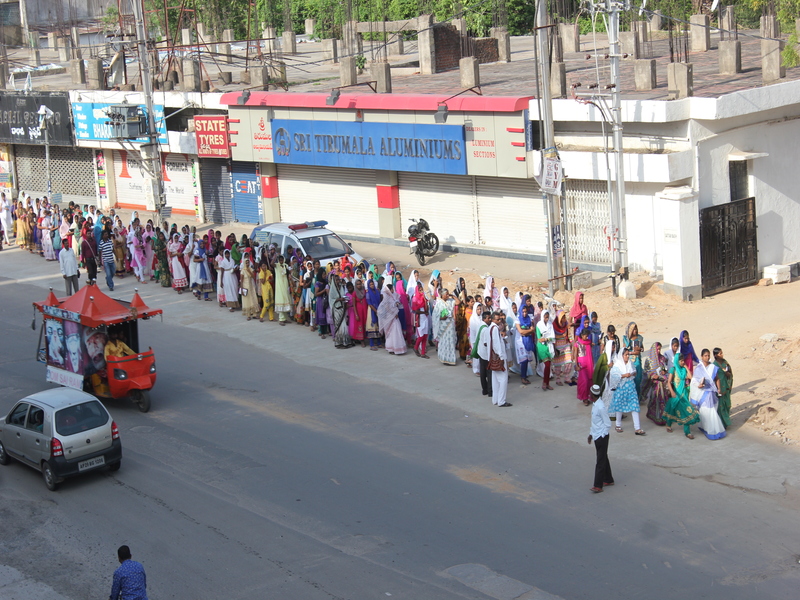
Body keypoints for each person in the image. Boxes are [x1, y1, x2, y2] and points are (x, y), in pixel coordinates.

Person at [608, 348, 646, 435]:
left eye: (628, 354)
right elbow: (614, 376)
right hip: (621, 388)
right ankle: (618, 425)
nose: (628, 356)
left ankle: (637, 428)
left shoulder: (630, 363)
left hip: (631, 387)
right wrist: (624, 375)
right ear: (622, 356)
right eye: (626, 355)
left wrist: (633, 373)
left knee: (635, 406)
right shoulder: (617, 365)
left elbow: (634, 371)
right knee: (619, 406)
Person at [691, 349, 727, 440]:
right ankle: (707, 429)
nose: (707, 357)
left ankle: (714, 431)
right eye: (705, 356)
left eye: (708, 355)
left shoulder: (712, 367)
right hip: (703, 392)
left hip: (711, 392)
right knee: (705, 411)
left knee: (711, 411)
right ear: (702, 357)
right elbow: (694, 380)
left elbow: (717, 378)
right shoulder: (699, 368)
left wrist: (718, 388)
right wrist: (698, 385)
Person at [664, 353, 700, 439]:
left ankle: (687, 432)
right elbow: (668, 382)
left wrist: (686, 367)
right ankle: (668, 425)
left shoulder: (683, 369)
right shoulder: (673, 370)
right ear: (677, 361)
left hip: (684, 394)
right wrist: (672, 392)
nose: (682, 362)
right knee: (672, 409)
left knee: (686, 411)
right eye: (681, 361)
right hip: (676, 394)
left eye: (683, 360)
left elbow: (690, 377)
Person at [588, 383, 614, 493]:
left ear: (593, 395)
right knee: (603, 457)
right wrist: (591, 434)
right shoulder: (595, 405)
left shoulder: (601, 407)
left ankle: (598, 485)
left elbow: (607, 424)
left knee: (600, 461)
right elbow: (595, 422)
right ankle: (608, 479)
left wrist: (601, 436)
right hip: (596, 435)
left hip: (601, 437)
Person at [482, 311, 510, 407]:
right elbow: (496, 345)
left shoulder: (489, 328)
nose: (499, 321)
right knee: (503, 379)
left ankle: (495, 399)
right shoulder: (494, 329)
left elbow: (486, 343)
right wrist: (501, 357)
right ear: (493, 319)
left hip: (492, 358)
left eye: (500, 319)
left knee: (495, 379)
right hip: (497, 357)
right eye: (497, 319)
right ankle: (501, 401)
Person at [642, 342, 670, 426]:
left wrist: (664, 372)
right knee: (655, 400)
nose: (658, 351)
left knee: (663, 401)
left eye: (660, 349)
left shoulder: (663, 358)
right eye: (657, 349)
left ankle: (662, 418)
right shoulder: (649, 360)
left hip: (662, 383)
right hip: (655, 384)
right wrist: (651, 375)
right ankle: (655, 416)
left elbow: (665, 369)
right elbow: (646, 372)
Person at [377, 282, 405, 354]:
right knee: (393, 332)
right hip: (391, 318)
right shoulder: (386, 298)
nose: (393, 290)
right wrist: (393, 314)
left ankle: (396, 348)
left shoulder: (392, 296)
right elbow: (387, 308)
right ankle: (392, 348)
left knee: (396, 332)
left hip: (394, 317)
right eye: (392, 289)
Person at [433, 288, 458, 365]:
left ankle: (451, 359)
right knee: (444, 342)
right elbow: (434, 316)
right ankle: (444, 358)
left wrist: (452, 296)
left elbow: (458, 302)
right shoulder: (439, 303)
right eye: (446, 294)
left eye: (448, 294)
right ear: (442, 295)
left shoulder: (451, 301)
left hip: (450, 325)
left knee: (451, 341)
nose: (447, 295)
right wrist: (441, 318)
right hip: (443, 325)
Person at [330, 273, 354, 348]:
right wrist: (340, 299)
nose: (338, 281)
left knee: (344, 326)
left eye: (338, 279)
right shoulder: (332, 289)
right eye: (336, 280)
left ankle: (345, 342)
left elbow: (345, 295)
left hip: (343, 308)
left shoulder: (342, 287)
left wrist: (345, 299)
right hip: (336, 309)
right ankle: (339, 342)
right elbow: (331, 300)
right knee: (339, 326)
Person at [472, 311, 493, 396]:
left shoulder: (480, 325)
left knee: (483, 372)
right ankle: (490, 391)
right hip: (485, 353)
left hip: (480, 352)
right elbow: (486, 343)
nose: (490, 320)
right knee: (489, 373)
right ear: (484, 318)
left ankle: (484, 390)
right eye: (488, 318)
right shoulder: (485, 329)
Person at [573, 323, 594, 405]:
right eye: (585, 336)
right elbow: (575, 355)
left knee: (589, 381)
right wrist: (576, 365)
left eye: (587, 336)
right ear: (581, 335)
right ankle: (584, 397)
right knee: (584, 381)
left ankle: (589, 397)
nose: (586, 337)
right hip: (581, 365)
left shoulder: (588, 343)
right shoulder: (577, 343)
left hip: (588, 364)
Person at [515, 304, 536, 385]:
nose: (524, 313)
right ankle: (523, 377)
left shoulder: (529, 318)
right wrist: (528, 331)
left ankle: (524, 375)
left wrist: (526, 332)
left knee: (527, 359)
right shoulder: (517, 320)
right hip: (520, 341)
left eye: (526, 312)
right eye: (523, 312)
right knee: (523, 360)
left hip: (528, 340)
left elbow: (532, 329)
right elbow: (521, 332)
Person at [713, 347, 733, 429]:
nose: (722, 354)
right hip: (720, 388)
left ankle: (726, 421)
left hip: (726, 387)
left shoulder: (725, 362)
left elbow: (730, 372)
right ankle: (722, 424)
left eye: (722, 353)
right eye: (720, 353)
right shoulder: (714, 365)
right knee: (721, 407)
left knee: (727, 405)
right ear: (716, 355)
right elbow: (714, 378)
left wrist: (728, 374)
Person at [552, 311, 573, 385]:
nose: (565, 318)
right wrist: (554, 349)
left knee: (569, 361)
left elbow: (568, 333)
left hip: (565, 344)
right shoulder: (554, 325)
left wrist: (571, 342)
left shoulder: (566, 324)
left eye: (564, 317)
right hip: (558, 345)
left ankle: (566, 377)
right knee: (558, 364)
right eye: (563, 317)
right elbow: (552, 337)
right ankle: (558, 379)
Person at [623, 322, 645, 394]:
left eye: (636, 329)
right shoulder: (626, 339)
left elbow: (642, 348)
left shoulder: (639, 338)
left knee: (638, 378)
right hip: (629, 360)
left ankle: (637, 397)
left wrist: (640, 349)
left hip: (637, 360)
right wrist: (631, 352)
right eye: (633, 329)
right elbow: (624, 350)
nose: (635, 330)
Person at [536, 310, 555, 391]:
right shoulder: (539, 325)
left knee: (548, 366)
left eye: (548, 317)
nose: (547, 319)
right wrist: (546, 338)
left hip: (549, 346)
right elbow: (539, 338)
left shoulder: (550, 324)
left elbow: (553, 337)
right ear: (542, 316)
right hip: (542, 347)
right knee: (547, 365)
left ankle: (547, 383)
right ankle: (544, 383)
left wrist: (546, 338)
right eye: (545, 317)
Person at [411, 281, 430, 359]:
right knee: (421, 336)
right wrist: (423, 312)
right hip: (419, 319)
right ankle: (416, 347)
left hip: (425, 317)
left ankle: (423, 353)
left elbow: (427, 309)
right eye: (420, 290)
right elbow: (416, 310)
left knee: (425, 336)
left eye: (422, 290)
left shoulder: (424, 298)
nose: (421, 292)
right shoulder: (415, 298)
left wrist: (425, 301)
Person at [348, 278, 368, 346]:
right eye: (357, 284)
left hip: (365, 311)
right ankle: (361, 340)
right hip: (359, 312)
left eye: (360, 284)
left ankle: (366, 338)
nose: (359, 285)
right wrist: (356, 315)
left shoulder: (364, 291)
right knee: (360, 325)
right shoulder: (354, 293)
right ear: (355, 285)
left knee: (365, 324)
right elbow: (354, 304)